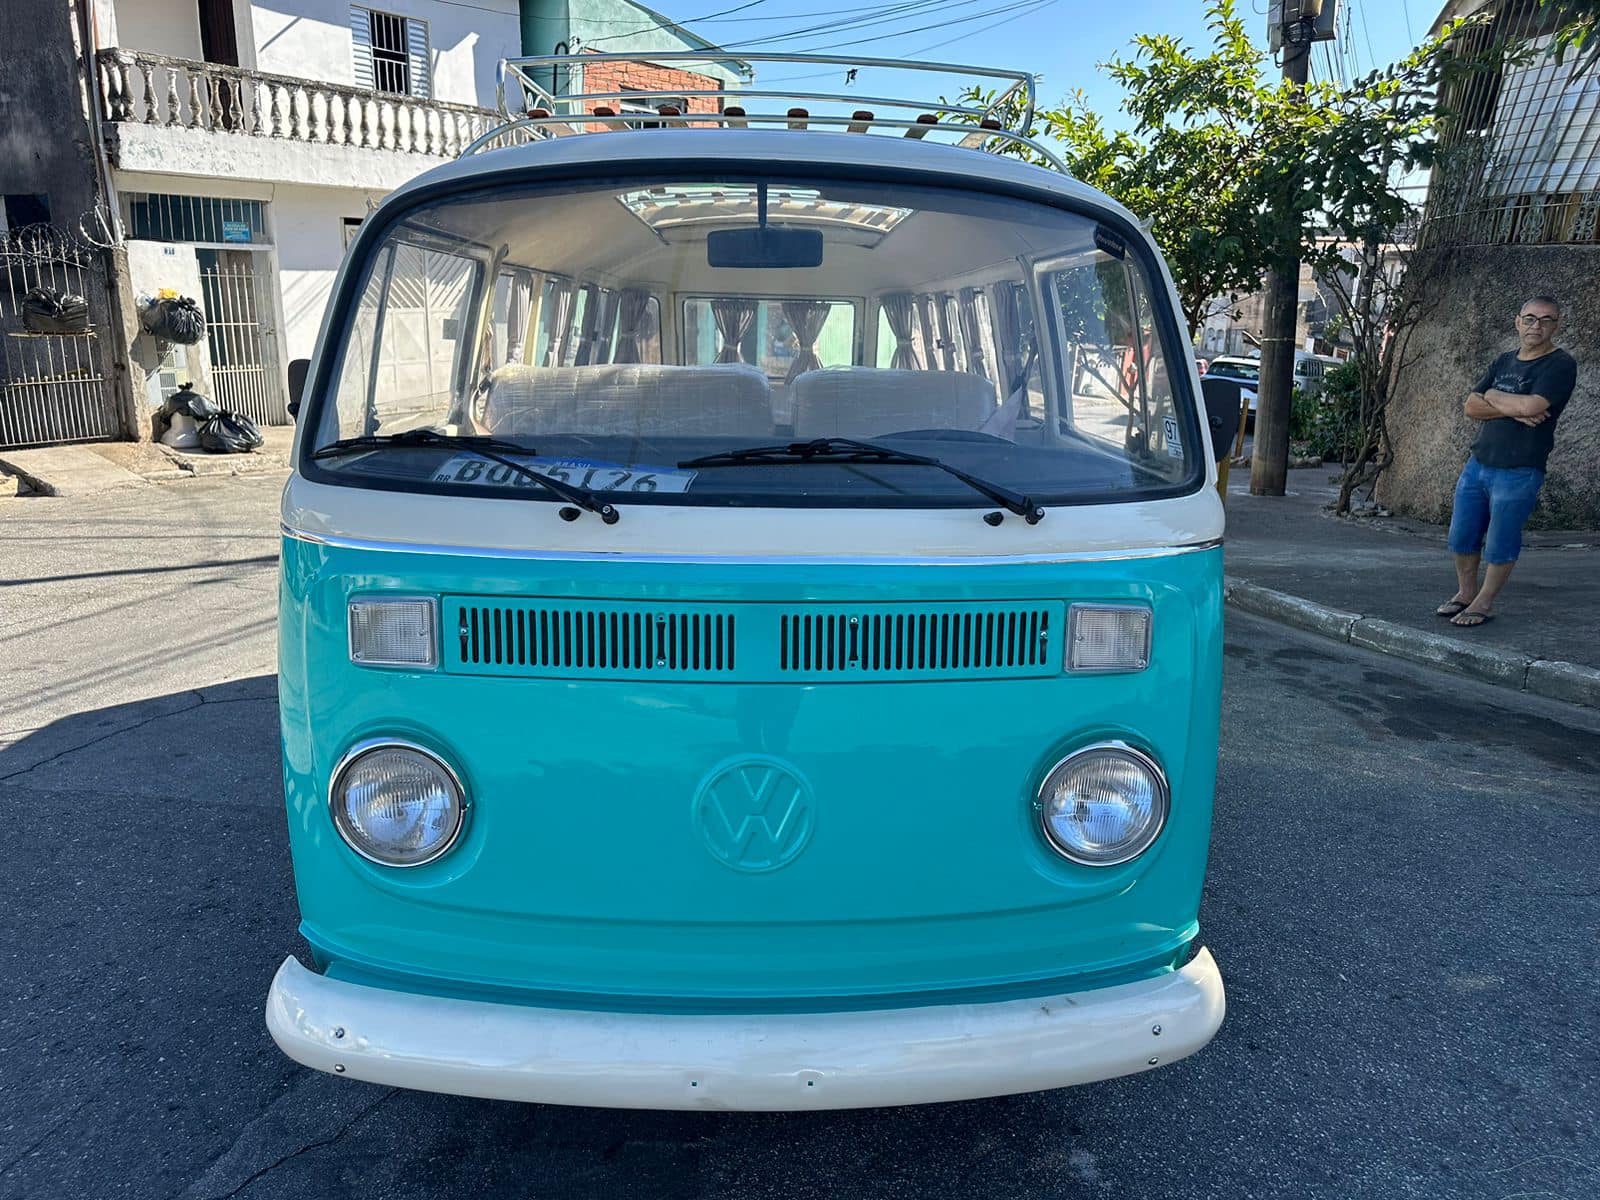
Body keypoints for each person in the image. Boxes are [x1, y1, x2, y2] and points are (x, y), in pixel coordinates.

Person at [1438, 296, 1578, 627]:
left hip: (1520, 469)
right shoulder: (1504, 361)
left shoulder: (1560, 364)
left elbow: (1534, 407)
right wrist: (1513, 408)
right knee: (1462, 536)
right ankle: (1465, 594)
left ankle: (1484, 603)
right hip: (1478, 463)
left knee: (1501, 541)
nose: (1536, 326)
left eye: (1546, 320)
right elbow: (1471, 406)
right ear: (1518, 322)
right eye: (1529, 318)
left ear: (1556, 325)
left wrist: (1494, 396)